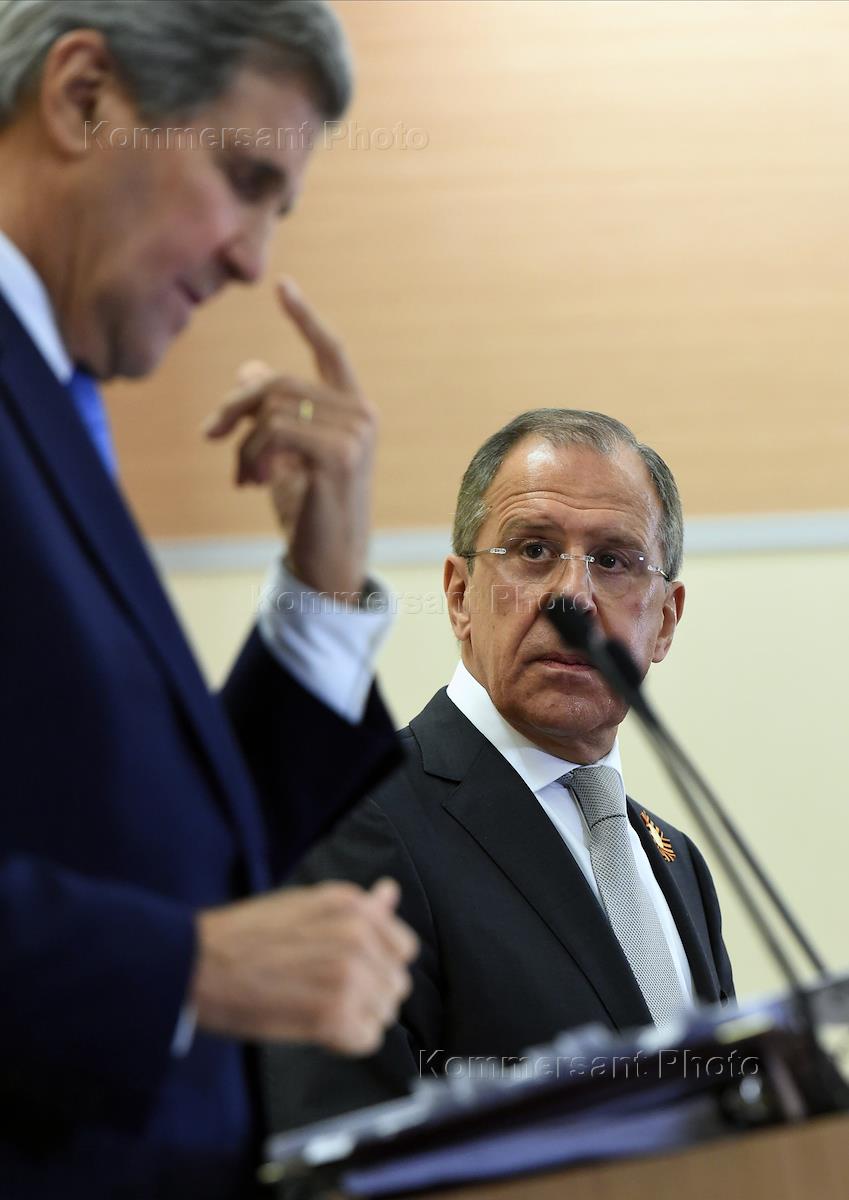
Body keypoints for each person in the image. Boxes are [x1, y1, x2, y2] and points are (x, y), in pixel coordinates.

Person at [0, 2, 418, 1196]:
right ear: (85, 98)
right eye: (244, 180)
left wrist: (324, 588)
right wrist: (182, 971)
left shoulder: (49, 398)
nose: (253, 260)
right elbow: (186, 935)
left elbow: (155, 848)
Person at [266, 408, 735, 1138]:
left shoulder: (676, 862)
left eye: (614, 560)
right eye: (533, 549)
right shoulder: (358, 819)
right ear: (459, 596)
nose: (572, 595)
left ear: (665, 622)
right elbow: (340, 1143)